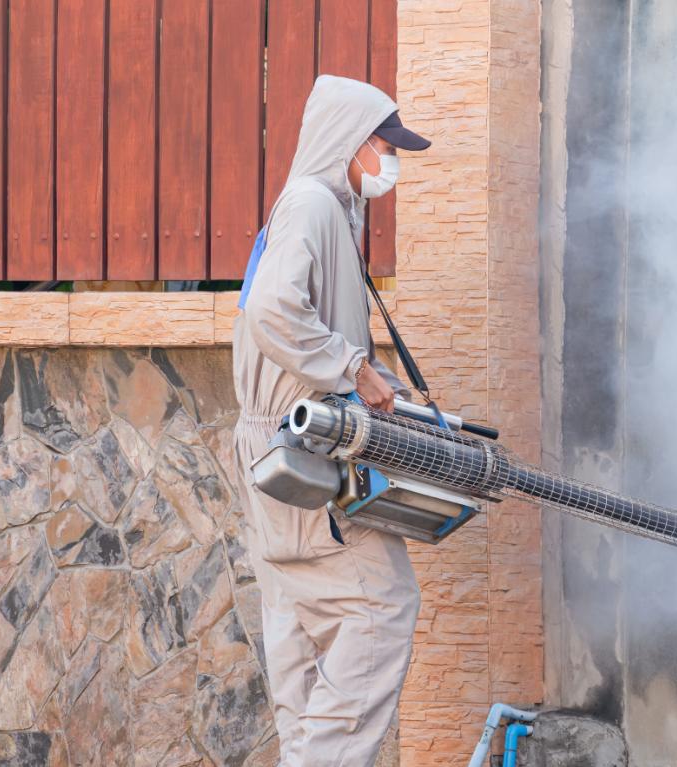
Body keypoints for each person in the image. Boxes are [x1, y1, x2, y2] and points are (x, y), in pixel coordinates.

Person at [232, 74, 431, 766]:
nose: (390, 160)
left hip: (277, 442)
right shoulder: (314, 205)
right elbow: (271, 311)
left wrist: (374, 380)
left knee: (300, 625)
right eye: (384, 144)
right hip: (302, 449)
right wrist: (351, 368)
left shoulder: (315, 206)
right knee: (382, 604)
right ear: (349, 141)